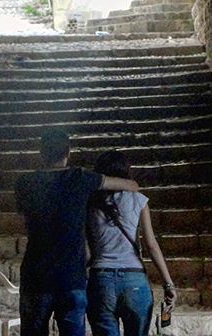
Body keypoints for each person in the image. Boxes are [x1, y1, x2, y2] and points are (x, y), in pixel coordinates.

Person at [15, 130, 140, 336]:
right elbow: (129, 186)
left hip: (35, 277)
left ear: (41, 153)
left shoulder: (24, 183)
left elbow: (24, 220)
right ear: (68, 152)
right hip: (71, 277)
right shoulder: (80, 178)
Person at [86, 150, 177, 336]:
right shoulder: (139, 200)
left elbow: (86, 251)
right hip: (134, 280)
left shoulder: (90, 204)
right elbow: (151, 245)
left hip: (100, 280)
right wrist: (168, 284)